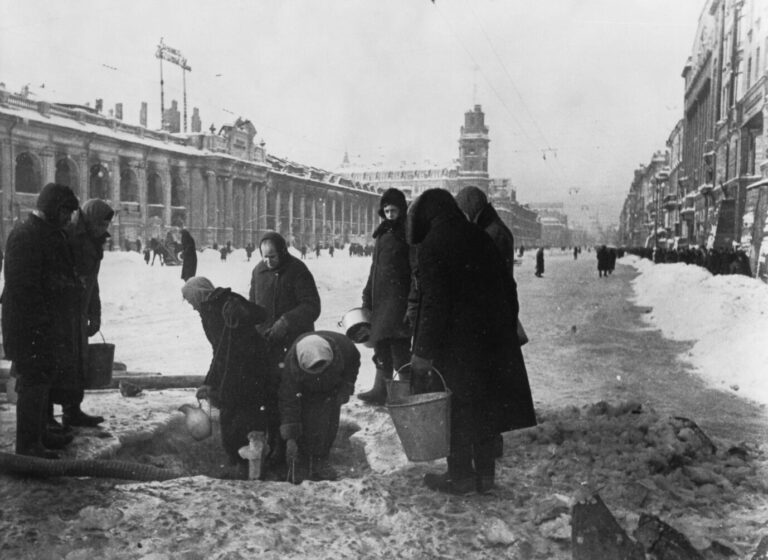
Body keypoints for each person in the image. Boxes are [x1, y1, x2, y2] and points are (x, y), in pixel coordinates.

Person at [406, 188, 527, 495]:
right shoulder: (480, 237)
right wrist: (503, 328)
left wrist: (423, 352)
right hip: (490, 339)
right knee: (485, 407)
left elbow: (434, 303)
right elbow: (508, 288)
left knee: (455, 409)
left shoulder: (434, 244)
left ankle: (459, 477)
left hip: (455, 345)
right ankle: (485, 476)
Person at [454, 186, 536, 457]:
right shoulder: (493, 226)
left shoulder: (491, 233)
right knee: (497, 376)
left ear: (471, 208)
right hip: (498, 308)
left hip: (493, 310)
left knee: (492, 378)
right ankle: (493, 436)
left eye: (464, 210)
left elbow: (490, 275)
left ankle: (493, 439)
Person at [2, 183, 81, 458]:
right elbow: (22, 286)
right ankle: (28, 445)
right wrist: (43, 319)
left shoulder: (47, 233)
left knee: (43, 376)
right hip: (29, 324)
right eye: (66, 211)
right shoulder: (26, 235)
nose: (69, 218)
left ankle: (40, 434)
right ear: (53, 208)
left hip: (43, 322)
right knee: (33, 380)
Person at [182, 277, 282, 479]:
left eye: (191, 300)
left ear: (199, 293)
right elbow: (218, 349)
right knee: (232, 416)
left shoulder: (228, 299)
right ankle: (242, 463)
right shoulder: (206, 311)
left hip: (252, 366)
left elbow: (260, 314)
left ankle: (251, 465)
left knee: (246, 415)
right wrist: (209, 382)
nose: (192, 307)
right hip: (232, 368)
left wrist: (241, 310)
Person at [50, 198, 115, 431]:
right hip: (63, 312)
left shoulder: (94, 240)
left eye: (107, 225)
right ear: (90, 220)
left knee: (78, 364)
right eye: (102, 224)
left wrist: (95, 313)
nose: (104, 229)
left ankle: (72, 411)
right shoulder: (70, 237)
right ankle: (47, 417)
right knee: (57, 363)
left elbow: (93, 282)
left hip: (78, 311)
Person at [279, 331, 359, 482]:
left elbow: (353, 366)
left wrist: (347, 386)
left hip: (332, 385)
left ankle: (320, 459)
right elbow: (289, 402)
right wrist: (291, 438)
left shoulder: (345, 348)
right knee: (306, 418)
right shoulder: (291, 364)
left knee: (329, 420)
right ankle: (301, 460)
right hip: (305, 389)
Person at [358, 188, 413, 405]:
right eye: (387, 211)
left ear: (402, 210)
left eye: (394, 210)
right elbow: (375, 267)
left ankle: (409, 395)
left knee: (399, 348)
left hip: (398, 300)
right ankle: (380, 389)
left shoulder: (408, 233)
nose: (390, 215)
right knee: (380, 345)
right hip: (380, 299)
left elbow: (413, 268)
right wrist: (367, 294)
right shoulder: (381, 233)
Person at [249, 231, 321, 366]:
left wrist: (286, 321)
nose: (268, 262)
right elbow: (252, 305)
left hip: (294, 340)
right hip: (267, 342)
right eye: (265, 257)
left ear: (282, 252)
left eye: (273, 256)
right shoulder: (258, 271)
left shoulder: (298, 269)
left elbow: (312, 306)